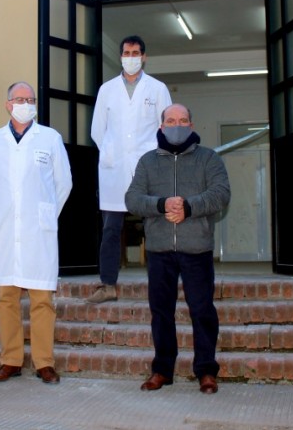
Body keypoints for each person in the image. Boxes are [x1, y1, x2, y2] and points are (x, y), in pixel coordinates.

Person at [125, 103, 230, 394]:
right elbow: (132, 198)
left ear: (191, 126)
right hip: (159, 250)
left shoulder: (209, 159)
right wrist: (161, 205)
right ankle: (162, 370)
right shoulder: (147, 162)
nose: (177, 125)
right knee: (161, 312)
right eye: (171, 120)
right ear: (161, 126)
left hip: (196, 248)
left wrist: (188, 207)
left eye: (183, 120)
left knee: (202, 310)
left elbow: (221, 194)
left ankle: (206, 370)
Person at [0, 82, 73, 385]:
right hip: (5, 230)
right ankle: (11, 360)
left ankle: (44, 362)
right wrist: (5, 213)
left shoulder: (50, 138)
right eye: (20, 99)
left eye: (30, 99)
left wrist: (43, 213)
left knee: (42, 299)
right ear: (8, 104)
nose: (26, 103)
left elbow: (63, 183)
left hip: (37, 231)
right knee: (6, 298)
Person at [86, 35, 172, 304]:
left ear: (144, 56)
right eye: (126, 52)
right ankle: (108, 285)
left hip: (147, 168)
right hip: (115, 170)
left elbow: (167, 127)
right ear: (121, 55)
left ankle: (161, 284)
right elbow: (97, 130)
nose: (131, 57)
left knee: (154, 226)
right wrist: (112, 153)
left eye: (136, 53)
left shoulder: (157, 89)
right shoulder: (107, 90)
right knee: (111, 229)